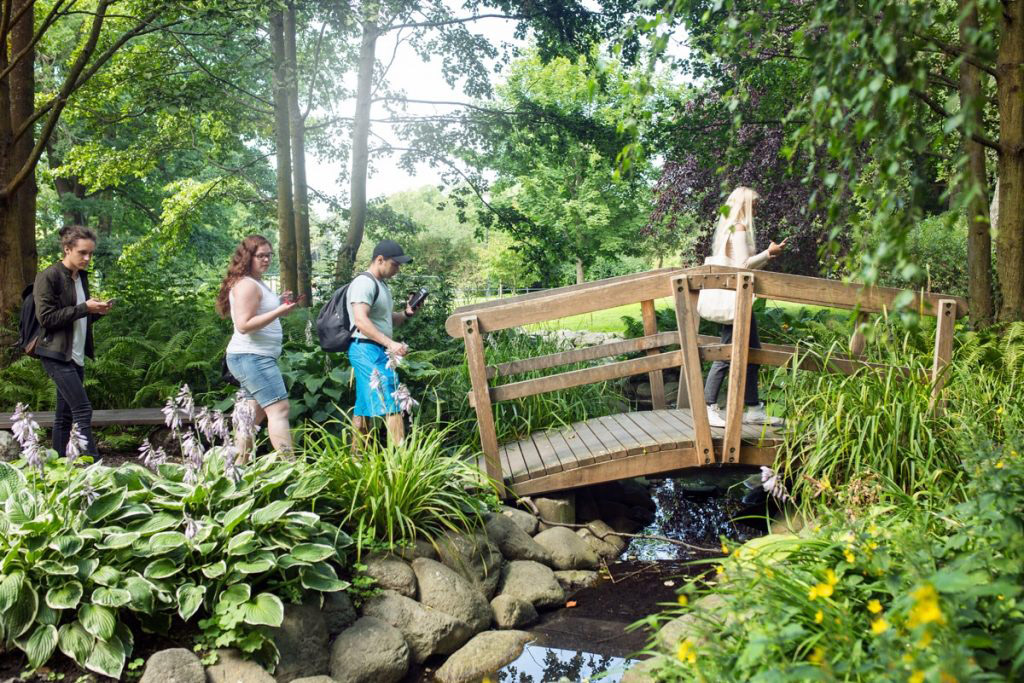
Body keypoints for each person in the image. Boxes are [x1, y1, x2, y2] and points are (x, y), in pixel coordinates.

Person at [703, 186, 786, 428]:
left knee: (753, 352)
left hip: (740, 300)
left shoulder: (731, 228)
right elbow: (743, 265)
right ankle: (708, 407)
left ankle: (753, 409)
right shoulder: (739, 228)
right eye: (755, 205)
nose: (757, 210)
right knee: (726, 354)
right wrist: (768, 253)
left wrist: (768, 255)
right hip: (736, 301)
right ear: (745, 206)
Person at [216, 235, 300, 460]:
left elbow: (259, 311)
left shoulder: (256, 282)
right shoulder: (246, 285)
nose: (266, 260)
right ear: (247, 257)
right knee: (280, 409)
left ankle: (237, 468)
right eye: (260, 256)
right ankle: (291, 467)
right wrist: (279, 311)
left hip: (254, 357)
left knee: (252, 416)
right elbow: (244, 325)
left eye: (269, 255)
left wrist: (279, 302)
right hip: (252, 357)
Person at [34, 225, 112, 458]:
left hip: (75, 355)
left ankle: (57, 464)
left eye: (90, 253)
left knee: (64, 416)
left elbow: (76, 319)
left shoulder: (81, 277)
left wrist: (96, 312)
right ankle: (94, 467)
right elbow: (46, 318)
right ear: (67, 249)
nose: (87, 258)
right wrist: (84, 308)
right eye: (82, 253)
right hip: (55, 354)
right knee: (83, 410)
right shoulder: (49, 276)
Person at [347, 239, 418, 446]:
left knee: (363, 407)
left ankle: (356, 458)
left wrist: (406, 313)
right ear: (380, 260)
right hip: (365, 349)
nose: (397, 269)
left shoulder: (381, 285)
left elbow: (385, 320)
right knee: (392, 397)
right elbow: (361, 321)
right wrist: (391, 344)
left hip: (375, 349)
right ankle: (401, 457)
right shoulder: (364, 283)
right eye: (395, 264)